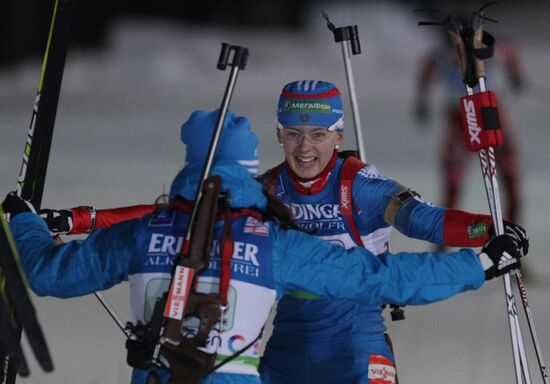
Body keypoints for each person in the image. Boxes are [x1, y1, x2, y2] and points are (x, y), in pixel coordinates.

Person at [35, 81, 529, 384]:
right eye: (293, 134)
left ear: (337, 134)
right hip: (287, 346)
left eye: (317, 134)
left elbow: (425, 220)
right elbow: (178, 217)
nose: (305, 148)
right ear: (277, 135)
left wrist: (490, 233)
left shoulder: (361, 186)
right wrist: (82, 219)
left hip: (355, 344)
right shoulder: (264, 190)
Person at [414, 33, 524, 223]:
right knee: (453, 181)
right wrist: (422, 101)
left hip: (489, 112)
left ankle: (513, 231)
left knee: (509, 173)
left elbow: (508, 51)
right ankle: (443, 236)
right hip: (462, 115)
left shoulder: (487, 49)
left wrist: (516, 76)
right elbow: (426, 73)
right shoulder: (442, 53)